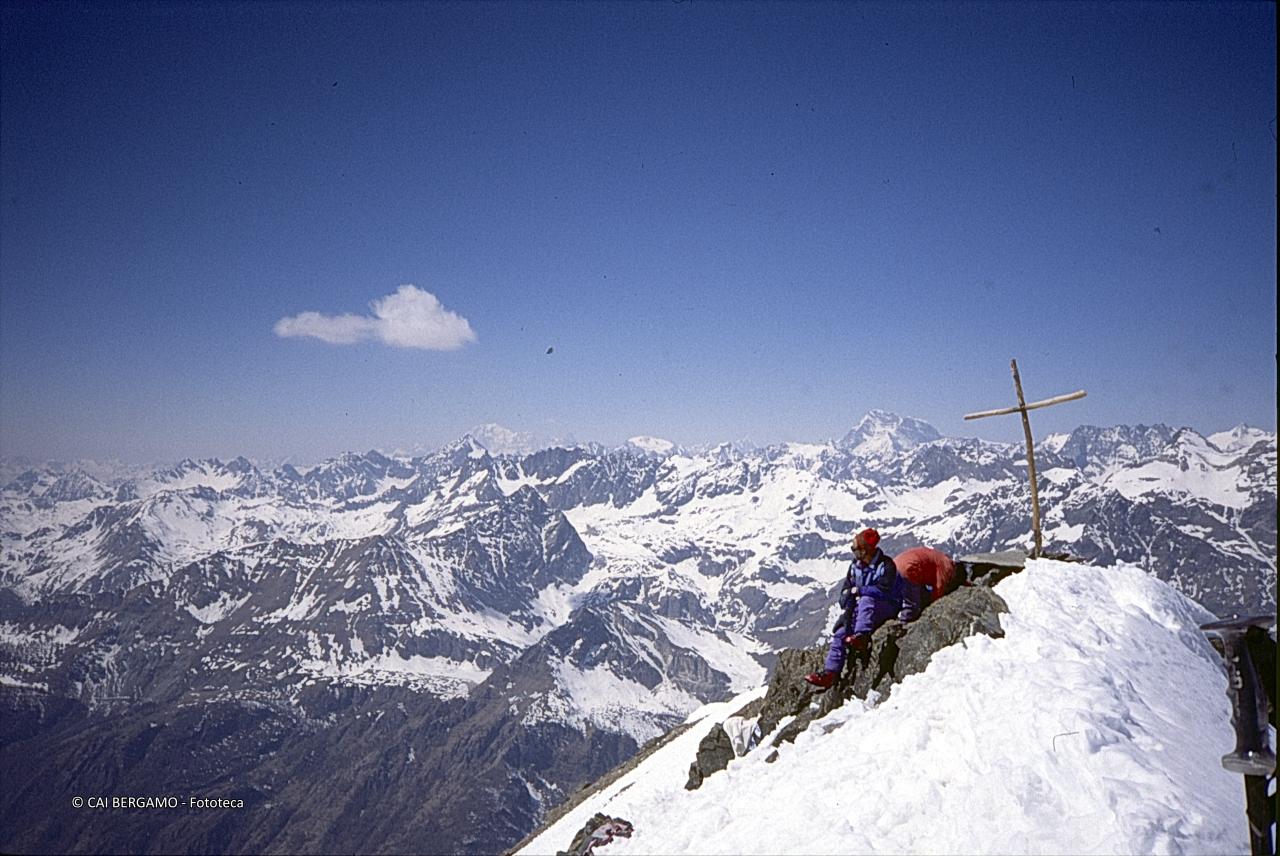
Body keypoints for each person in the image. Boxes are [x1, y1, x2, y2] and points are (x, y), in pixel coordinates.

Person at [805, 528, 919, 689]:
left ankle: (862, 636)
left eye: (856, 549)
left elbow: (884, 590)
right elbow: (846, 591)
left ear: (866, 550)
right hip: (864, 611)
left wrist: (860, 591)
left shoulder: (886, 566)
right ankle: (830, 673)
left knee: (866, 599)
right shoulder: (855, 567)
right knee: (840, 633)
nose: (854, 553)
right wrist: (847, 611)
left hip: (886, 606)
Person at [893, 545, 960, 605]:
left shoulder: (936, 555)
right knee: (912, 605)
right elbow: (939, 588)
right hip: (908, 570)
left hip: (894, 566)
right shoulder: (946, 565)